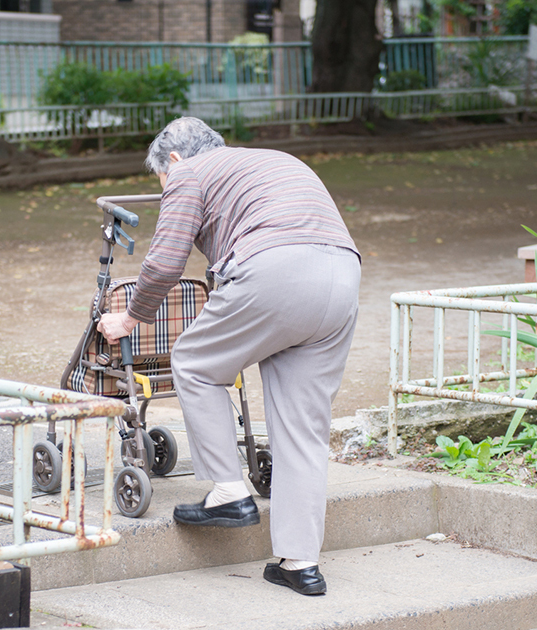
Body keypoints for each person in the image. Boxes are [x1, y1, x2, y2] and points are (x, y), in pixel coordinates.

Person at [97, 117, 360, 596]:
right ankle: (301, 564)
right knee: (302, 426)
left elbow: (166, 258)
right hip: (342, 276)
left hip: (276, 269)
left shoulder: (187, 173)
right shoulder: (272, 161)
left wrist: (130, 319)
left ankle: (228, 492)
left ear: (172, 160)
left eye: (161, 179)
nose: (165, 186)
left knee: (195, 362)